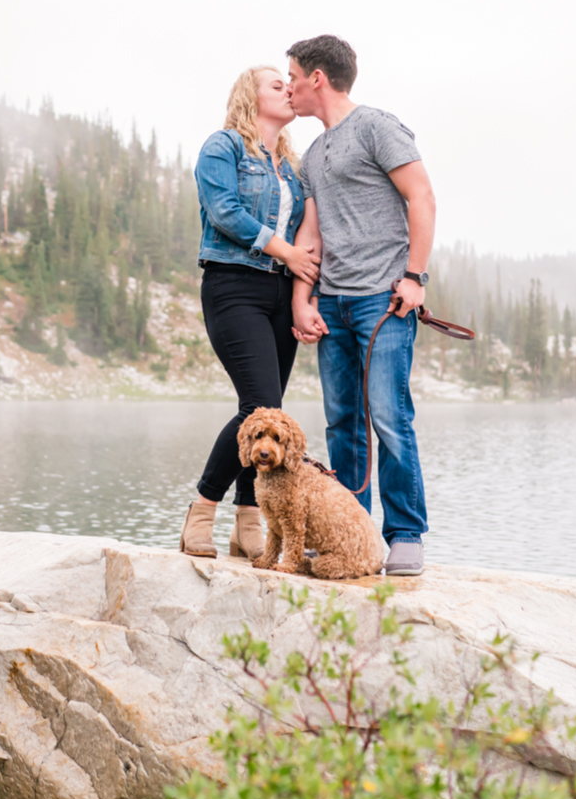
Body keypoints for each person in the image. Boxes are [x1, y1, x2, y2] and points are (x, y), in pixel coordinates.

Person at [286, 35, 437, 576]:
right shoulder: (314, 154)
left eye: (295, 78)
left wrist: (415, 277)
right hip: (335, 305)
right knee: (343, 424)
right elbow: (312, 234)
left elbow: (421, 196)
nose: (291, 88)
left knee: (390, 417)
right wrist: (303, 300)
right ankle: (352, 535)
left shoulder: (377, 126)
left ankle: (405, 535)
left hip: (384, 302)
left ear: (318, 78)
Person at [179, 66, 320, 559]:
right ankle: (202, 509)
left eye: (290, 84)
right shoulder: (223, 147)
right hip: (233, 284)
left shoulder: (292, 167)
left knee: (270, 412)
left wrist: (304, 295)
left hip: (281, 294)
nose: (289, 89)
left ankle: (247, 523)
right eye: (276, 85)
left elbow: (309, 236)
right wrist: (284, 251)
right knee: (257, 406)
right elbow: (224, 212)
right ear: (250, 96)